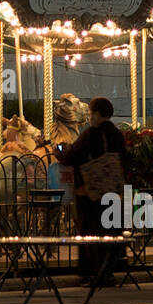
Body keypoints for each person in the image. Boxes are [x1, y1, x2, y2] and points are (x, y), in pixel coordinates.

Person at [57, 97, 128, 284]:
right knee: (111, 229)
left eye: (90, 113)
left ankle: (92, 270)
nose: (89, 117)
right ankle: (109, 269)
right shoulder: (117, 134)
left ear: (96, 114)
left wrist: (59, 153)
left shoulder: (90, 134)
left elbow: (72, 156)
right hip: (112, 190)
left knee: (90, 229)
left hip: (92, 192)